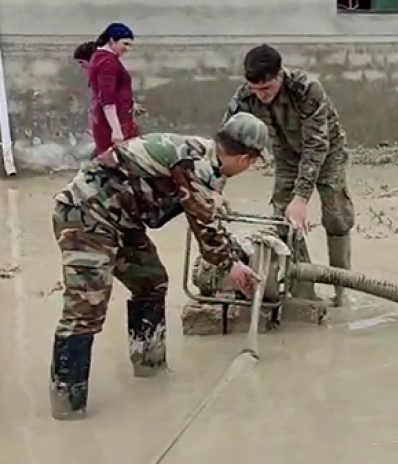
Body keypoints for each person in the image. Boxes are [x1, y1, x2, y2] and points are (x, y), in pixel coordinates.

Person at [49, 113, 268, 421]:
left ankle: (149, 367)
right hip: (86, 217)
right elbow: (204, 227)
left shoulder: (205, 159)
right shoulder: (196, 164)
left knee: (151, 282)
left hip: (120, 220)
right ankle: (67, 407)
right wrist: (230, 266)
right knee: (85, 309)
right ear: (245, 158)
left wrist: (224, 241)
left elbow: (206, 215)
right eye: (254, 163)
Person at [223, 44, 355, 307]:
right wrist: (215, 186)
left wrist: (302, 197)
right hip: (286, 157)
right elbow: (225, 143)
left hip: (328, 152)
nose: (261, 96)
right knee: (285, 220)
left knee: (336, 216)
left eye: (267, 89)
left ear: (280, 75)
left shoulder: (307, 89)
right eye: (256, 90)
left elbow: (317, 145)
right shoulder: (244, 97)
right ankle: (305, 294)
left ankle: (343, 291)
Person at [88, 22, 141, 155]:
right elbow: (107, 98)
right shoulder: (108, 62)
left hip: (110, 119)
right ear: (112, 40)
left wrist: (130, 103)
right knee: (120, 164)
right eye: (125, 44)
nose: (128, 49)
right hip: (113, 123)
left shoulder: (102, 58)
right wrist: (116, 130)